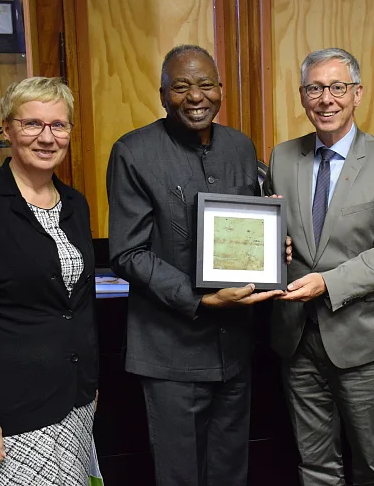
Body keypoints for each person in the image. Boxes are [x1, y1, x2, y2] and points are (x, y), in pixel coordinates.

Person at [106, 44, 284, 486]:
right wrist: (201, 298)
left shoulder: (241, 147)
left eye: (206, 84)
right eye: (181, 87)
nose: (195, 96)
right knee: (181, 477)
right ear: (163, 95)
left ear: (221, 89)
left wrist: (270, 249)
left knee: (230, 474)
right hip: (170, 354)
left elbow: (247, 228)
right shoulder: (133, 152)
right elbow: (127, 253)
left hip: (236, 350)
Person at [263, 47, 374, 485]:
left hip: (364, 342)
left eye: (337, 87)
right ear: (302, 95)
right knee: (314, 465)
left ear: (357, 94)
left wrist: (326, 284)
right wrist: (276, 245)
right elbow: (284, 238)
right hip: (295, 338)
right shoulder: (283, 157)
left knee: (371, 465)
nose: (325, 99)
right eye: (314, 88)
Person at [0, 77, 98, 485]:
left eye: (59, 126)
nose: (47, 138)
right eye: (32, 125)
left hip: (75, 404)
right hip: (10, 417)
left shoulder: (76, 204)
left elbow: (77, 305)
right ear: (7, 129)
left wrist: (91, 384)